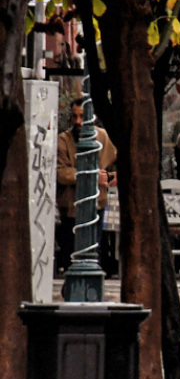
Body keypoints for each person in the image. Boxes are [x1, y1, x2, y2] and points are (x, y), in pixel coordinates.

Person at [56, 101, 117, 275]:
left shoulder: (103, 137)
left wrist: (115, 176)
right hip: (72, 206)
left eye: (82, 116)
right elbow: (61, 173)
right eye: (75, 116)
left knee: (94, 248)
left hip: (96, 203)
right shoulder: (64, 140)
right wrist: (90, 175)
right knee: (72, 251)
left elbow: (119, 157)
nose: (78, 121)